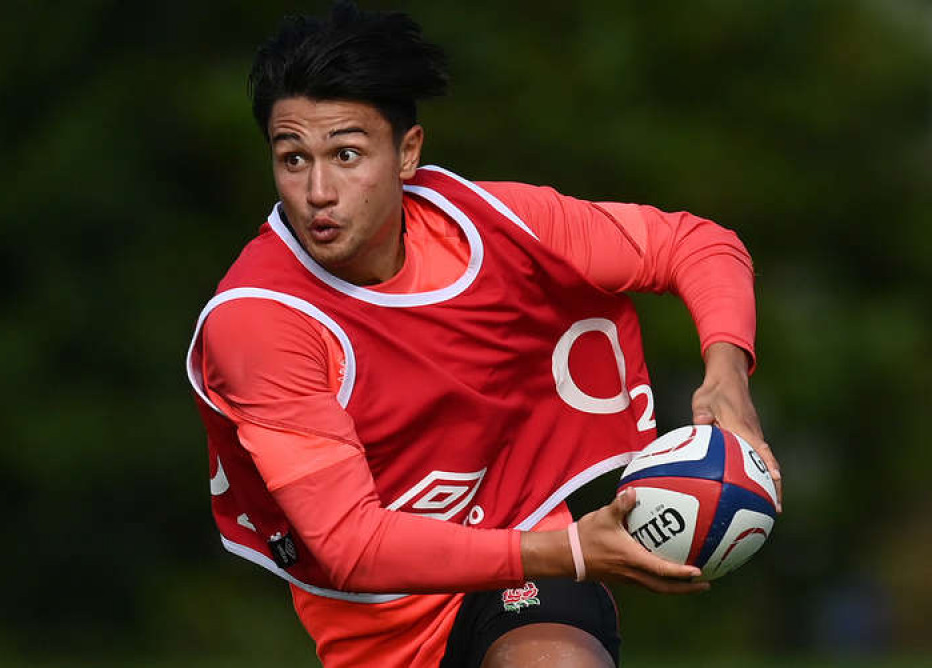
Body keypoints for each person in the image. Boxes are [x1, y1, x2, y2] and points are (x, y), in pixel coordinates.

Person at [185, 2, 782, 666]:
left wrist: (728, 378)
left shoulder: (495, 226)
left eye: (346, 154)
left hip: (527, 551)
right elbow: (352, 546)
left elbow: (697, 246)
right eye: (292, 159)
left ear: (408, 152)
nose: (317, 190)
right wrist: (577, 549)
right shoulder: (259, 322)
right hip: (377, 627)